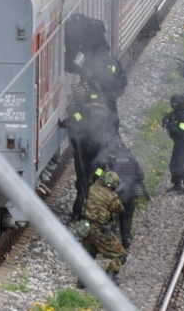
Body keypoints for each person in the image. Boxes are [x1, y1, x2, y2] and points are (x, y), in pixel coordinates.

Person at [60, 90, 119, 220]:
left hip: (85, 149)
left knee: (82, 180)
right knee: (97, 174)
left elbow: (74, 119)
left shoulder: (85, 110)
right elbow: (114, 125)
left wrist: (63, 124)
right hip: (101, 151)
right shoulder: (107, 112)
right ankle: (95, 205)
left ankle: (77, 212)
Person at [93, 135, 146, 250]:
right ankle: (125, 238)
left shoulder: (108, 161)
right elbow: (141, 176)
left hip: (115, 196)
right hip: (129, 194)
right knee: (126, 216)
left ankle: (111, 242)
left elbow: (97, 174)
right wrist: (131, 181)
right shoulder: (132, 160)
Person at [79, 170, 126, 286]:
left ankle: (82, 280)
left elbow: (97, 174)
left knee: (89, 254)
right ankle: (110, 275)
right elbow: (120, 210)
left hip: (86, 227)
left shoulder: (93, 188)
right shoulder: (112, 198)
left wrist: (101, 171)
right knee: (120, 254)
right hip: (100, 229)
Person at [162, 94, 184, 195]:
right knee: (173, 165)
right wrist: (165, 119)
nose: (173, 105)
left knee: (182, 165)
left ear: (179, 104)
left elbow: (181, 131)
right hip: (178, 143)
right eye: (172, 103)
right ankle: (177, 184)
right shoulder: (177, 112)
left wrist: (169, 125)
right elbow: (170, 115)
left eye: (175, 103)